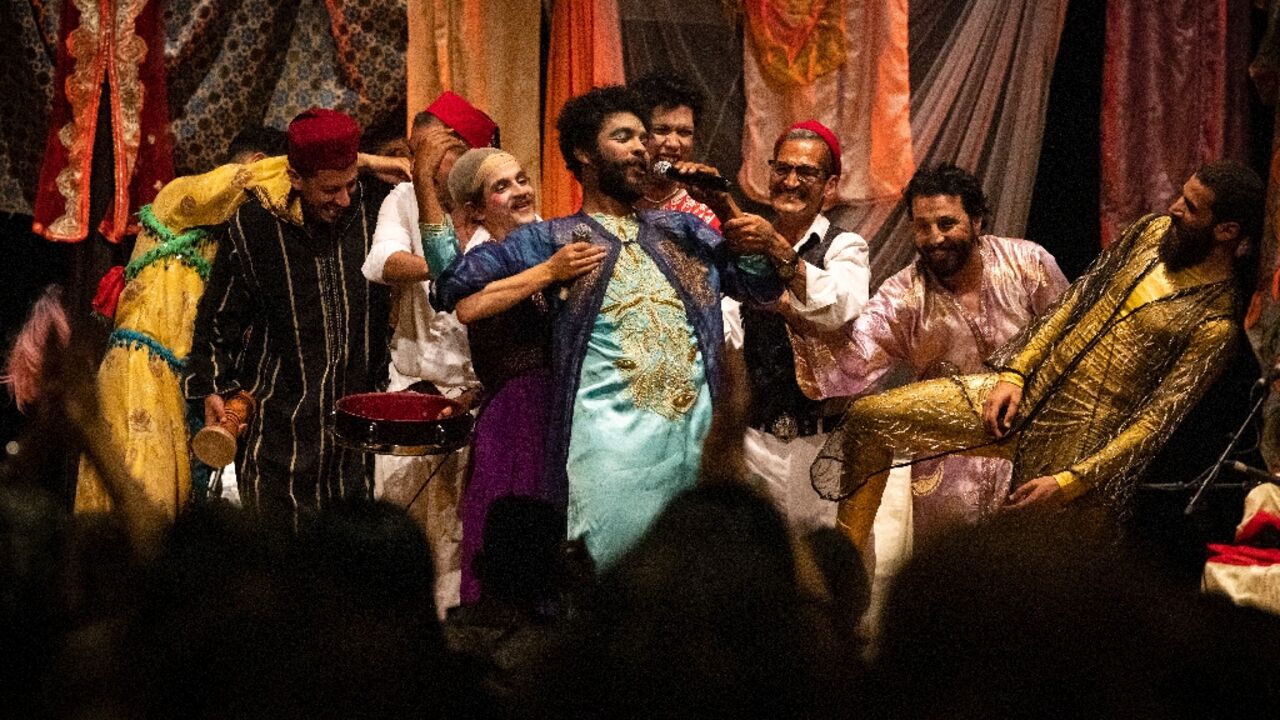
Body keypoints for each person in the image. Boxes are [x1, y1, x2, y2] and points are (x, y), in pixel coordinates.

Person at [812, 161, 1265, 543]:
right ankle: (842, 592)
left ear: (1226, 230)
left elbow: (1154, 424)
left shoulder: (1216, 322)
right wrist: (1016, 373)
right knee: (871, 419)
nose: (1174, 208)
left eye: (1190, 206)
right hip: (1026, 391)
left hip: (1084, 439)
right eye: (1181, 196)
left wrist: (1069, 483)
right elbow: (1073, 305)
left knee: (1028, 579)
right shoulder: (1151, 233)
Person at [433, 85, 783, 569]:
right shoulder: (551, 238)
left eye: (644, 138)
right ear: (584, 153)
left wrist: (726, 207)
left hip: (697, 453)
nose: (643, 148)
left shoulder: (682, 231)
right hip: (611, 460)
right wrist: (546, 272)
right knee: (613, 598)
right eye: (624, 137)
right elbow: (453, 286)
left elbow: (758, 285)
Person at [802, 164, 1066, 555]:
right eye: (922, 226)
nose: (934, 238)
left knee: (1026, 583)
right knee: (947, 584)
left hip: (1033, 455)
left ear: (977, 221)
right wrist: (795, 309)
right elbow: (853, 360)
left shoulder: (1028, 265)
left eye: (947, 223)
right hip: (946, 469)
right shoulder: (903, 294)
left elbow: (1070, 340)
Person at [184, 108, 392, 522]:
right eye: (331, 190)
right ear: (295, 178)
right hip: (279, 438)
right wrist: (212, 387)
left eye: (351, 184)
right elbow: (217, 322)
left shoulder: (375, 209)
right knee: (284, 572)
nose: (345, 199)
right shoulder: (256, 225)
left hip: (357, 436)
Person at [417, 142, 598, 604]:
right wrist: (548, 272)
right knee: (515, 544)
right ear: (476, 209)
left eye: (521, 179)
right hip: (518, 419)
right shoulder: (481, 260)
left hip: (564, 413)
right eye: (502, 186)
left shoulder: (558, 241)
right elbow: (463, 303)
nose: (520, 191)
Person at [361, 92, 498, 611]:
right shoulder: (404, 203)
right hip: (413, 392)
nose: (424, 160)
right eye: (420, 151)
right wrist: (453, 266)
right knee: (403, 539)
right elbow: (384, 264)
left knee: (465, 540)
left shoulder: (499, 208)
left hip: (479, 399)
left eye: (435, 149)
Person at [719, 120, 870, 530]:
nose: (790, 181)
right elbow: (727, 332)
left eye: (806, 172)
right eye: (782, 169)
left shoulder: (844, 247)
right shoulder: (743, 245)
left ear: (830, 186)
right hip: (753, 440)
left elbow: (844, 307)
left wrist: (775, 248)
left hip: (818, 445)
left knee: (815, 574)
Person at [631, 73, 721, 230]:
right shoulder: (614, 206)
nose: (673, 144)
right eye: (661, 130)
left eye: (684, 132)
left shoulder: (707, 210)